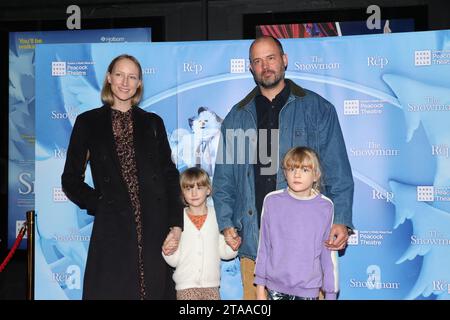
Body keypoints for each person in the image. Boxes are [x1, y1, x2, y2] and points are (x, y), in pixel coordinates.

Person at [212, 35, 354, 299]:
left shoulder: (317, 109)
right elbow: (224, 180)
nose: (265, 66)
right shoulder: (237, 117)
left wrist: (342, 219)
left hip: (308, 250)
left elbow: (337, 169)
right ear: (251, 68)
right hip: (256, 248)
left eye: (271, 58)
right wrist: (227, 222)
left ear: (284, 60)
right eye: (257, 61)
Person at [61, 54, 184, 300]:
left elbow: (170, 176)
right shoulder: (88, 122)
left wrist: (176, 224)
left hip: (154, 226)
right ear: (109, 78)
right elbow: (70, 179)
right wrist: (100, 203)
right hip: (113, 228)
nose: (125, 82)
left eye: (132, 77)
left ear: (139, 83)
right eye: (119, 75)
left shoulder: (152, 123)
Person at [255, 146, 338, 300]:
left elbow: (328, 254)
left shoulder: (325, 207)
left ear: (316, 175)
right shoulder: (272, 201)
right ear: (285, 173)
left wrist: (330, 294)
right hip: (274, 289)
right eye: (292, 169)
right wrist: (260, 288)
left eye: (304, 170)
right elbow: (264, 247)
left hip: (308, 291)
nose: (297, 174)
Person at [162, 167, 238, 300]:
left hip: (212, 287)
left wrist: (232, 245)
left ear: (208, 189)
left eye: (199, 187)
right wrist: (168, 251)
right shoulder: (177, 220)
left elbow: (224, 252)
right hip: (186, 288)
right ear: (182, 193)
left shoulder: (218, 216)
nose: (194, 193)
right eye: (188, 188)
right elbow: (174, 261)